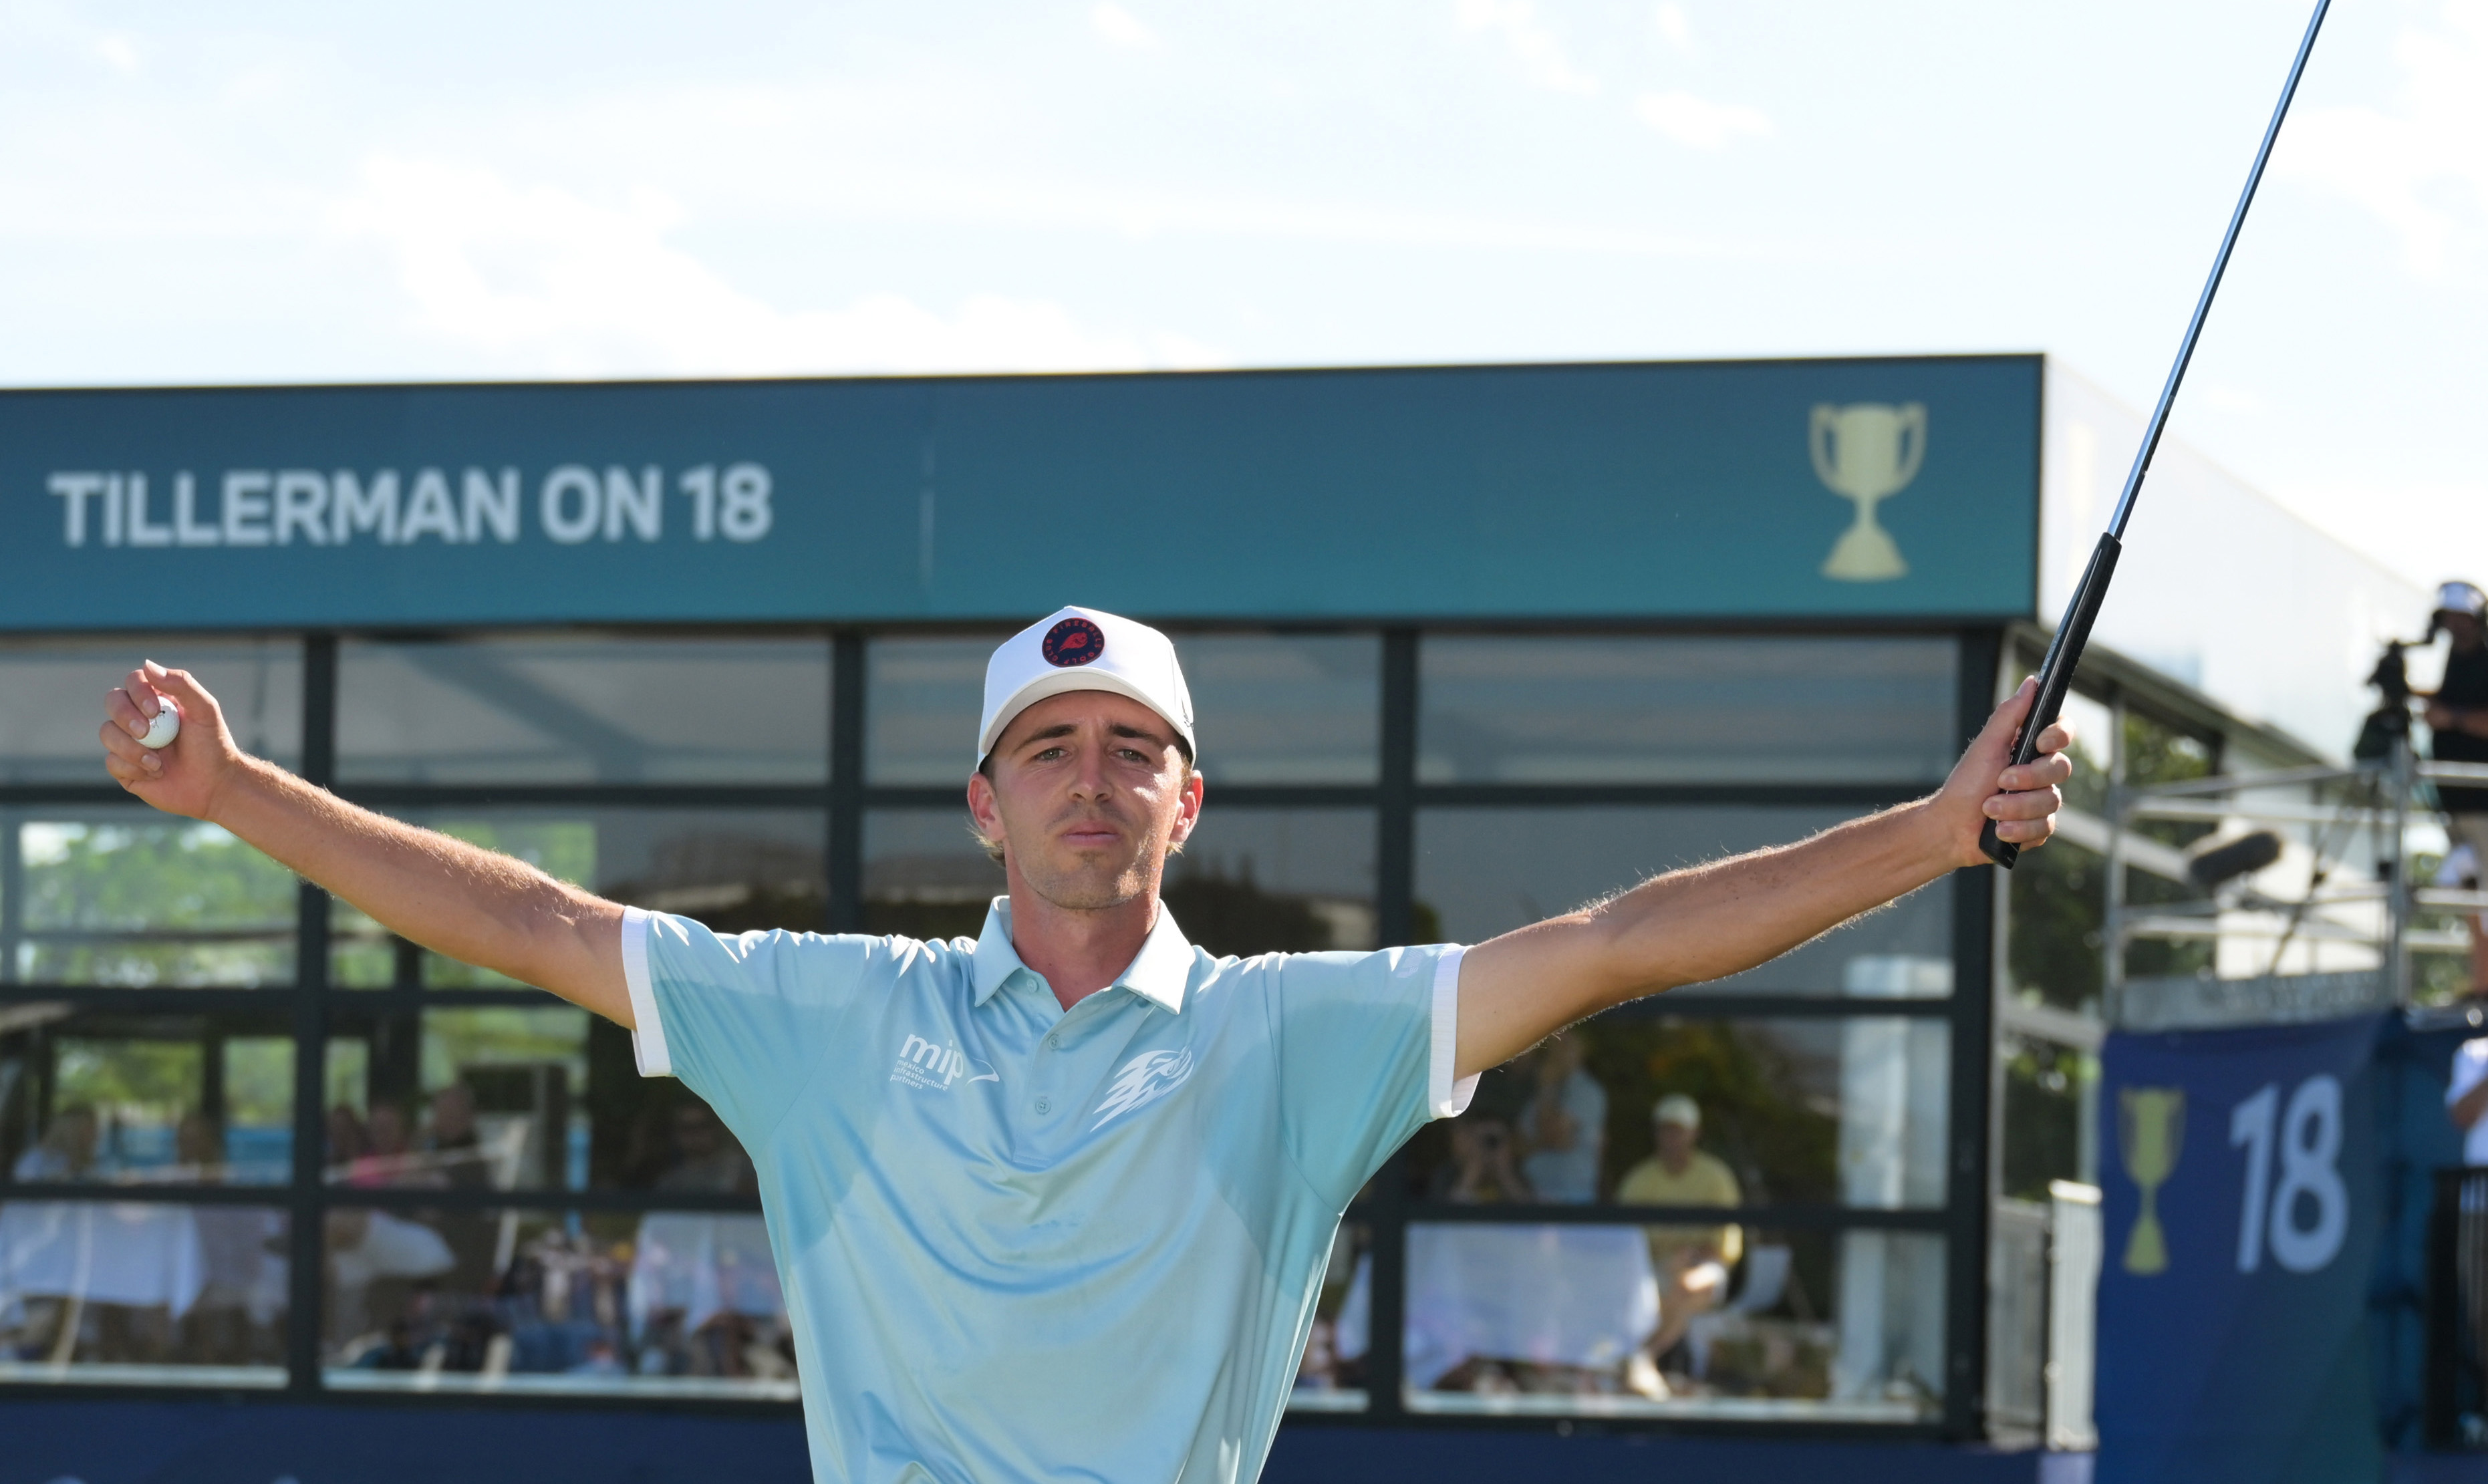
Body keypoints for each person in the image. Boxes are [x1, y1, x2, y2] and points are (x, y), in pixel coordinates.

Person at [95, 608, 2069, 1483]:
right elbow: (531, 920)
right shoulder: (828, 1016)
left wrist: (1927, 827)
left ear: (1187, 804)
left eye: (1133, 749)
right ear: (983, 802)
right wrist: (244, 793)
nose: (1090, 780)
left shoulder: (1294, 1039)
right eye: (1048, 748)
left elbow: (1615, 940)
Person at [1615, 1094, 1744, 1390]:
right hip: (1650, 1269)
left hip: (1703, 1266)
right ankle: (1642, 1364)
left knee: (1692, 1285)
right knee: (1665, 1288)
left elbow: (1723, 1245)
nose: (1671, 1138)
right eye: (1666, 1129)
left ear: (1694, 1133)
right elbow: (1622, 1240)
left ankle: (1642, 1357)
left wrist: (1691, 1257)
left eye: (1679, 1130)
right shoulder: (1640, 1180)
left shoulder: (1716, 1177)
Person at [2423, 583, 2488, 994]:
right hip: (2459, 806)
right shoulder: (2454, 660)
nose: (2454, 625)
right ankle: (2482, 986)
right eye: (2449, 617)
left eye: (2462, 617)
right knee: (2470, 897)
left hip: (2483, 805)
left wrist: (2452, 718)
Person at [1516, 1026, 1606, 1203]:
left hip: (1573, 1202)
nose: (1559, 1051)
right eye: (1555, 1044)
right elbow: (1517, 1147)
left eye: (1566, 1044)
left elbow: (1554, 1134)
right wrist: (1545, 1143)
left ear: (1582, 1049)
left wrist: (1536, 1144)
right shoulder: (1541, 1091)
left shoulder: (1588, 1092)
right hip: (1535, 1198)